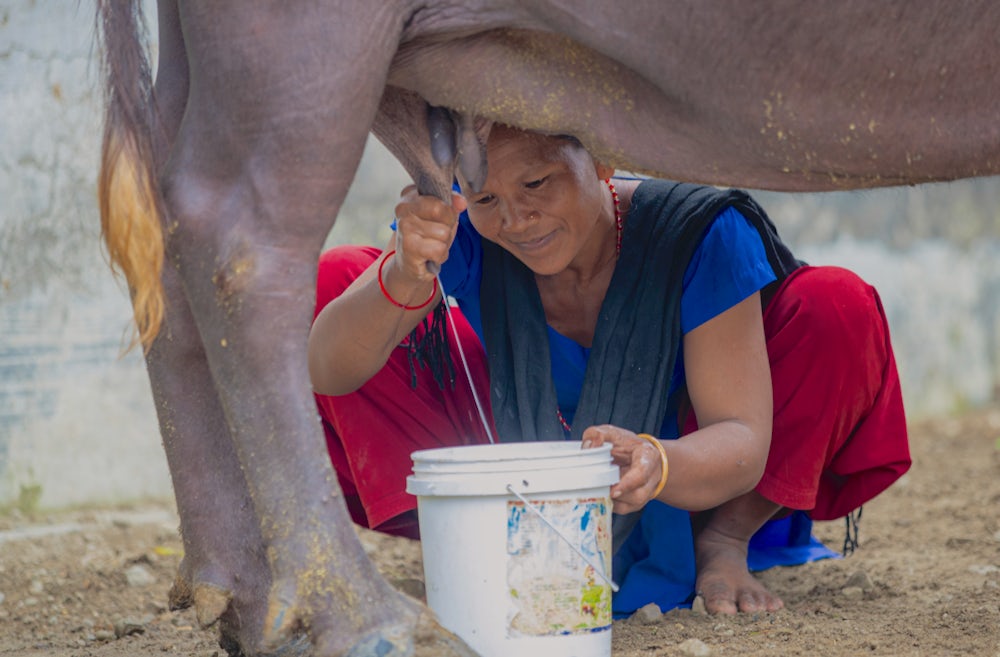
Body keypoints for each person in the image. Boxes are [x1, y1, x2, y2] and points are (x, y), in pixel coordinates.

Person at [307, 124, 910, 616]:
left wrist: (658, 457)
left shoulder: (697, 232)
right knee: (344, 278)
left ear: (601, 160)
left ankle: (723, 543)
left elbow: (742, 438)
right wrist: (407, 272)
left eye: (537, 182)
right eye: (487, 198)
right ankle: (477, 542)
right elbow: (327, 369)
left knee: (837, 305)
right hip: (524, 467)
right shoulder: (470, 231)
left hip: (696, 481)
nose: (517, 220)